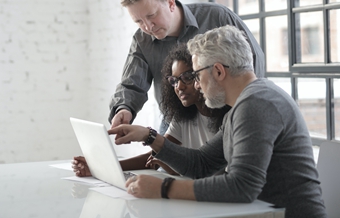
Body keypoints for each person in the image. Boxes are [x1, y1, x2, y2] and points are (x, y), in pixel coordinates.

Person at [108, 25, 326, 218]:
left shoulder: (256, 104)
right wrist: (149, 136)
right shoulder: (244, 104)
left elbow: (242, 187)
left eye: (197, 75)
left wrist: (163, 187)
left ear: (219, 71)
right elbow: (202, 163)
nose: (196, 85)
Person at [109, 0, 265, 133]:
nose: (148, 27)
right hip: (176, 121)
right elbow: (132, 83)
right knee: (156, 157)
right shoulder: (142, 40)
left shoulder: (217, 16)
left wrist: (246, 108)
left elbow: (252, 59)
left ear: (170, 2)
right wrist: (124, 108)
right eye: (139, 21)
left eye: (151, 15)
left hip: (224, 117)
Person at [72, 44, 230, 176]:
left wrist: (153, 143)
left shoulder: (231, 118)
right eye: (174, 81)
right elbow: (159, 153)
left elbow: (207, 168)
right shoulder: (183, 115)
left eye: (187, 77)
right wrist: (100, 167)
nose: (179, 87)